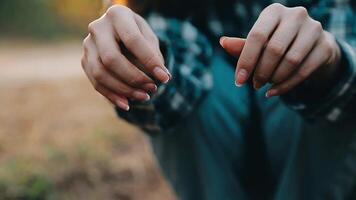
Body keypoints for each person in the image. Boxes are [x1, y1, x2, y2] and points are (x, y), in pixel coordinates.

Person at [81, 0, 356, 199]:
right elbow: (171, 95)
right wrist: (137, 62)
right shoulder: (164, 9)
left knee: (308, 70)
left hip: (316, 169)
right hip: (213, 175)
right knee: (182, 85)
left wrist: (331, 64)